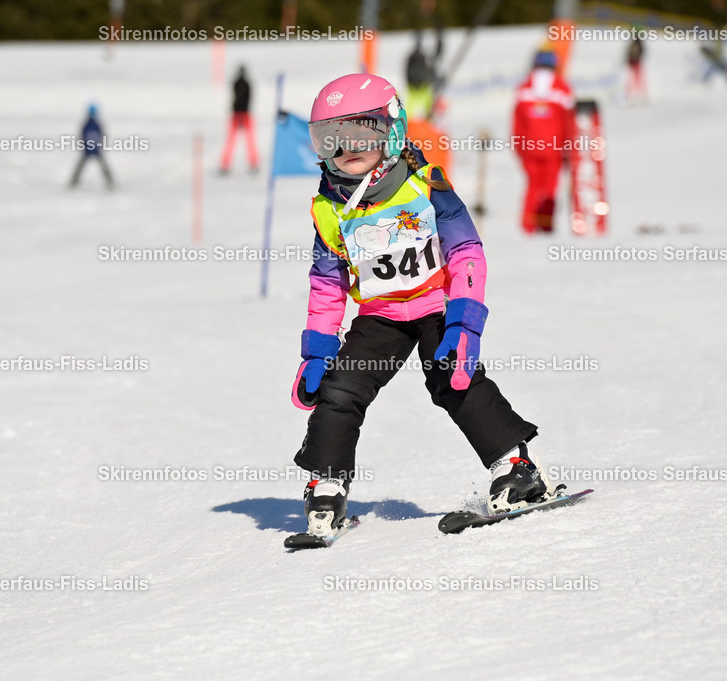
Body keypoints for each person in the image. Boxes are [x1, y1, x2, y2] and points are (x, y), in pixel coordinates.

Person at [291, 73, 553, 538]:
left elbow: (466, 252)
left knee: (454, 377)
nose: (345, 147)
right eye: (330, 138)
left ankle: (516, 468)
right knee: (340, 389)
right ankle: (326, 484)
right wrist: (316, 350)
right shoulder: (329, 209)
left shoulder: (425, 186)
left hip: (436, 306)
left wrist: (464, 323)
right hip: (381, 316)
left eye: (359, 133)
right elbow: (327, 284)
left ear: (390, 131)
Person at [512, 51, 576, 234]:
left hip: (529, 148)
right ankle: (546, 225)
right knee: (549, 188)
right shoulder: (562, 88)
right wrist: (569, 148)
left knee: (532, 186)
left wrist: (518, 147)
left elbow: (517, 122)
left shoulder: (524, 88)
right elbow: (569, 122)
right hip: (554, 149)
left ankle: (528, 225)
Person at [218, 66, 259, 174]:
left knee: (246, 141)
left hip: (242, 114)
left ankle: (252, 163)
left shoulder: (239, 83)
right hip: (241, 114)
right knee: (235, 141)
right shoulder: (242, 83)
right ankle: (226, 164)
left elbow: (242, 99)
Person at [68, 103, 115, 190]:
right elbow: (99, 136)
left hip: (90, 149)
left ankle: (73, 181)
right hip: (93, 149)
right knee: (100, 166)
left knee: (84, 166)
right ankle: (110, 182)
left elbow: (83, 136)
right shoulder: (95, 124)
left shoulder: (88, 124)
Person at [625, 34, 647, 102]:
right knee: (634, 80)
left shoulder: (635, 45)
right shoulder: (636, 45)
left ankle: (639, 95)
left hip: (636, 63)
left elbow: (633, 53)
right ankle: (634, 95)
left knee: (637, 80)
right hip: (635, 63)